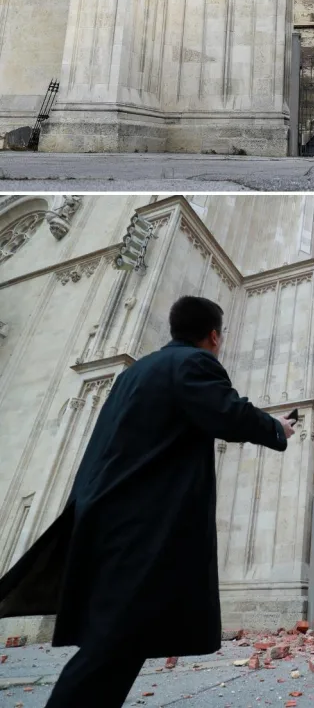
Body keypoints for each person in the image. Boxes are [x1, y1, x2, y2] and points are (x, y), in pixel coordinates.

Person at [0, 295, 296, 708]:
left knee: (124, 635)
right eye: (220, 335)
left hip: (106, 513)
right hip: (139, 525)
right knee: (113, 643)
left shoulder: (135, 373)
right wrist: (277, 427)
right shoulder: (194, 364)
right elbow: (228, 414)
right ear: (213, 336)